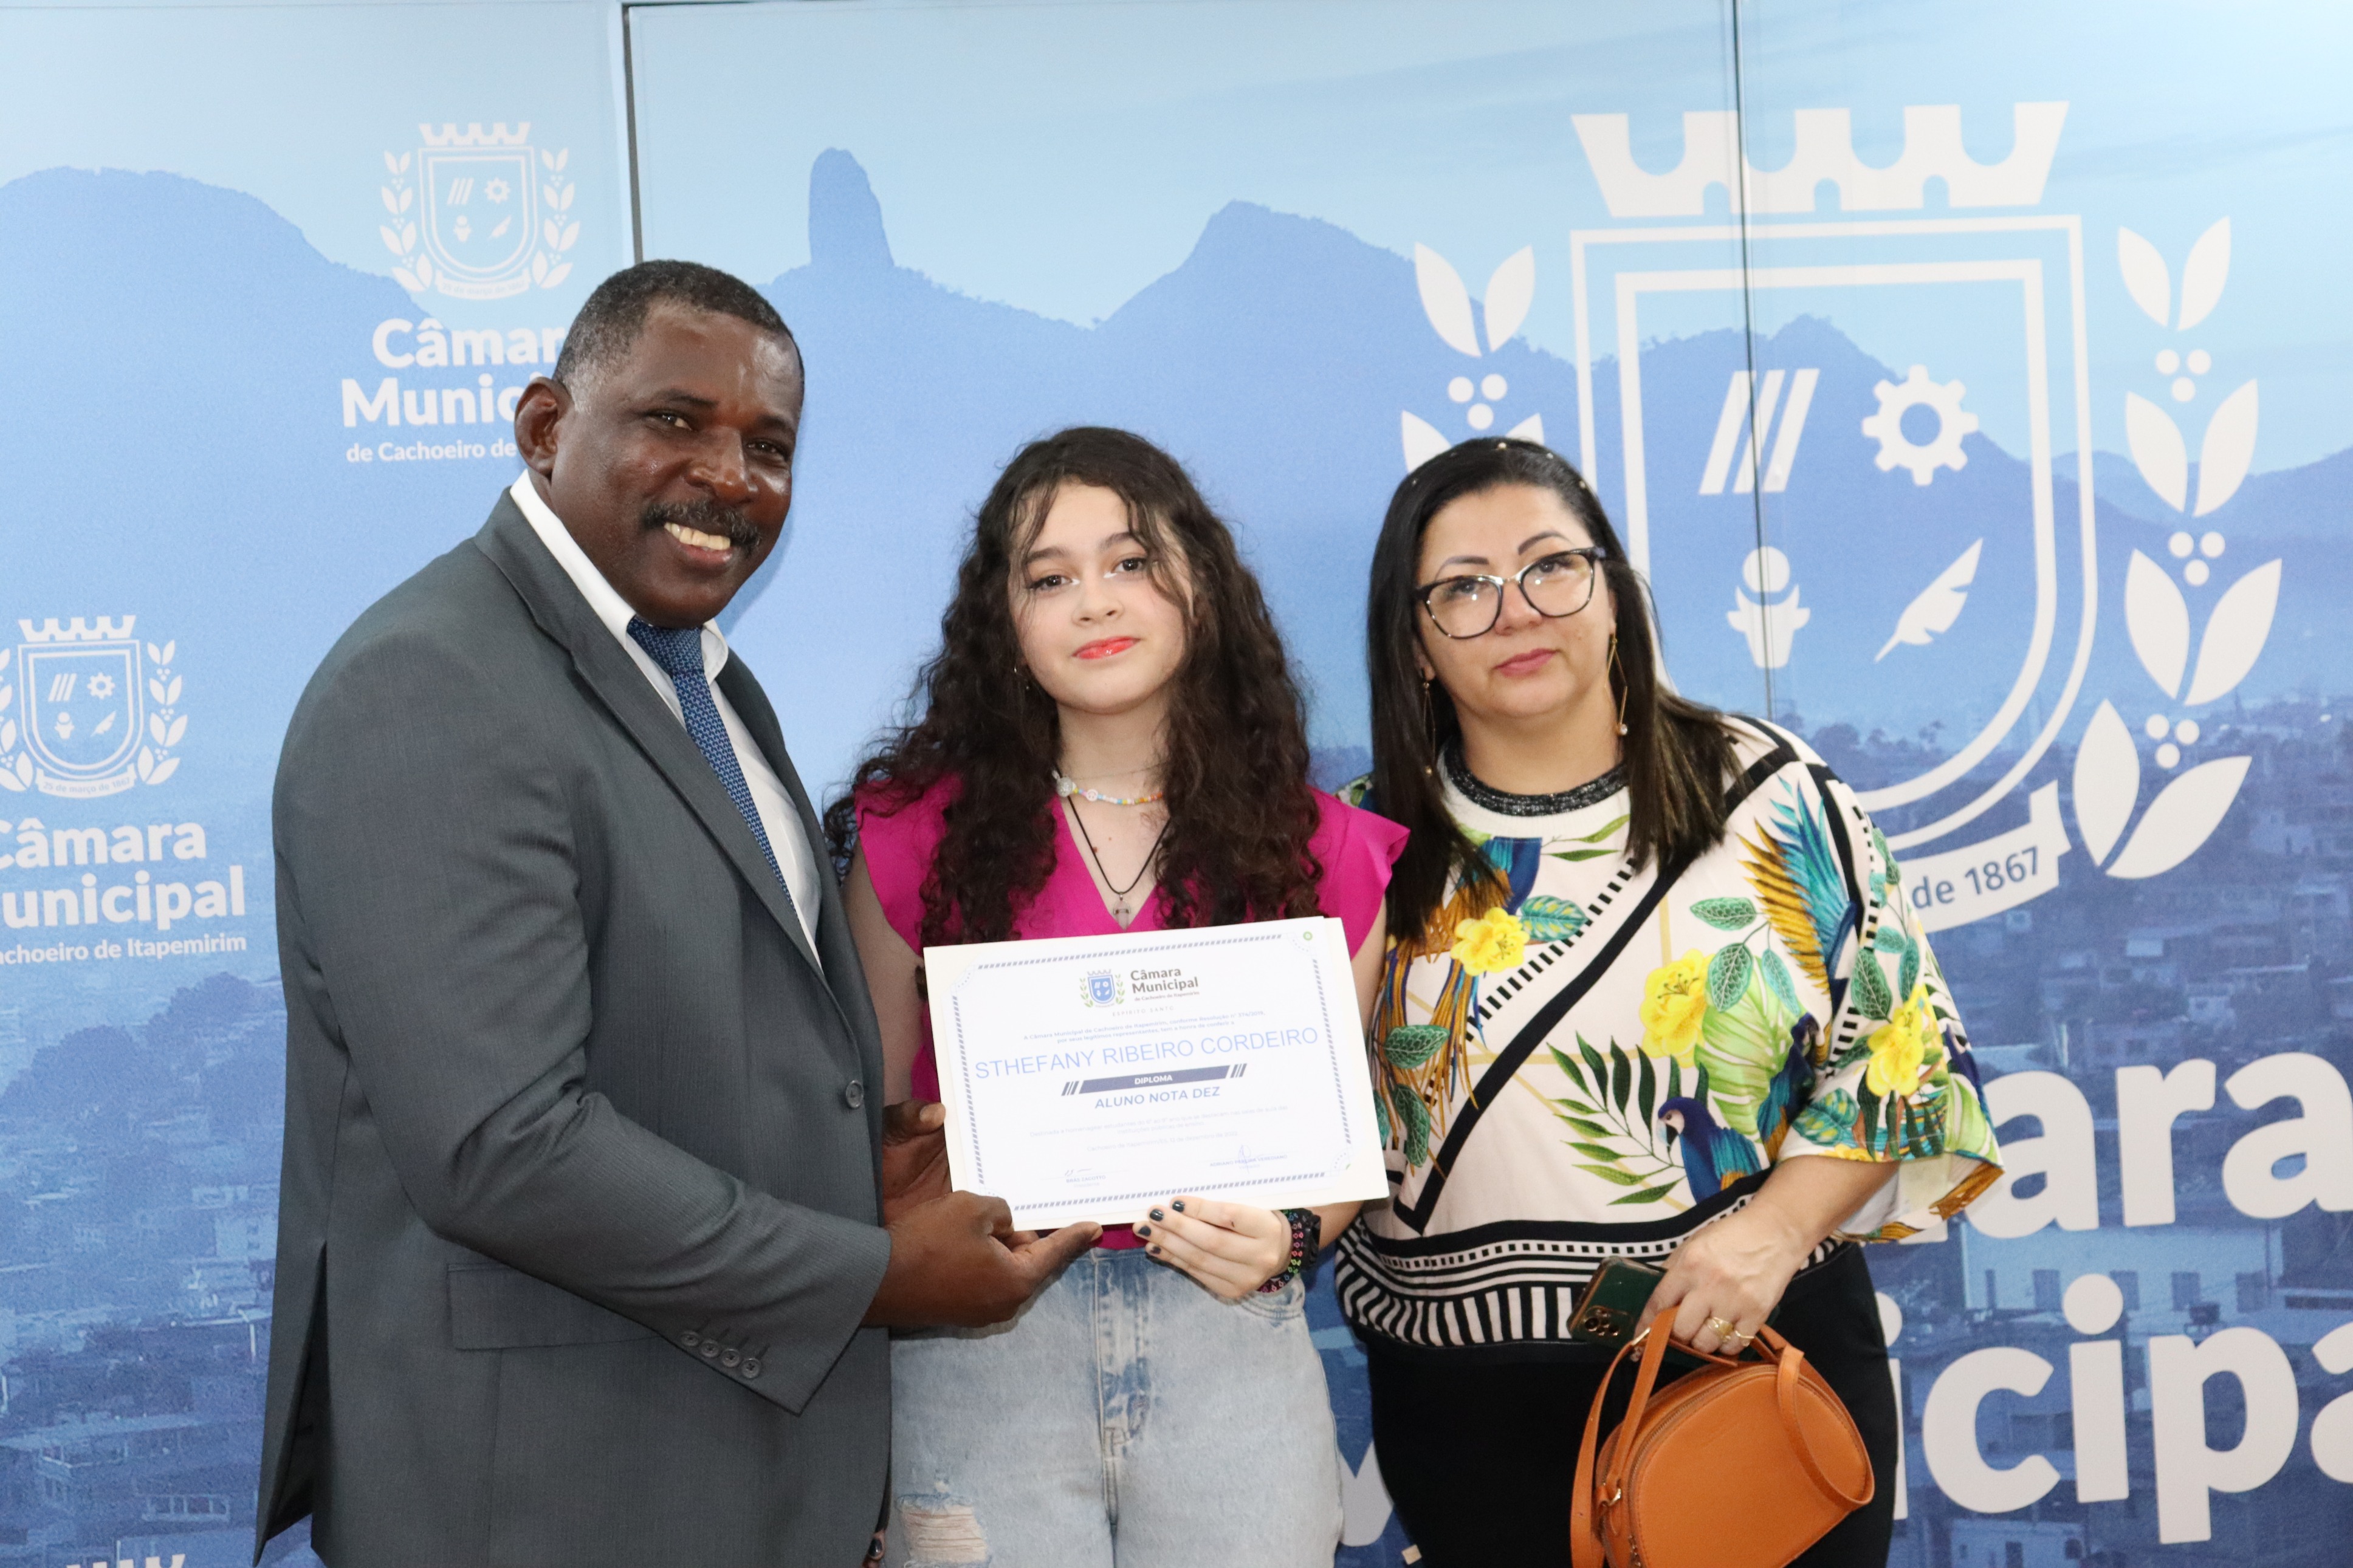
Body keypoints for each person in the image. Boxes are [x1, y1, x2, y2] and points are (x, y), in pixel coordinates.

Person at [256, 261, 1096, 1568]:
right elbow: (500, 1145)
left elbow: (681, 1035)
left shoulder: (699, 677)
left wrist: (851, 1167)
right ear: (546, 427)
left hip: (717, 1471)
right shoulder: (432, 680)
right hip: (541, 1498)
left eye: (770, 446)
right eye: (675, 421)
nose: (730, 477)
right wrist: (872, 1272)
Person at [1334, 438, 2004, 1567]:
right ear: (1414, 644)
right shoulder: (1364, 847)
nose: (1516, 610)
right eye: (1463, 587)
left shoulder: (1769, 793)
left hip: (1749, 1371)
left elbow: (1903, 1064)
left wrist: (1773, 1232)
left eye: (1552, 565)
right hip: (1468, 1420)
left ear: (1614, 592)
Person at [830, 426, 1406, 1568]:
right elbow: (872, 1135)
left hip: (1231, 1345)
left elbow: (1341, 1145)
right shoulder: (910, 839)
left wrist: (1290, 1235)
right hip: (983, 1349)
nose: (1094, 600)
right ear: (1004, 623)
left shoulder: (1324, 847)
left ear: (1202, 583)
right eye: (1049, 578)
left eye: (1130, 561)